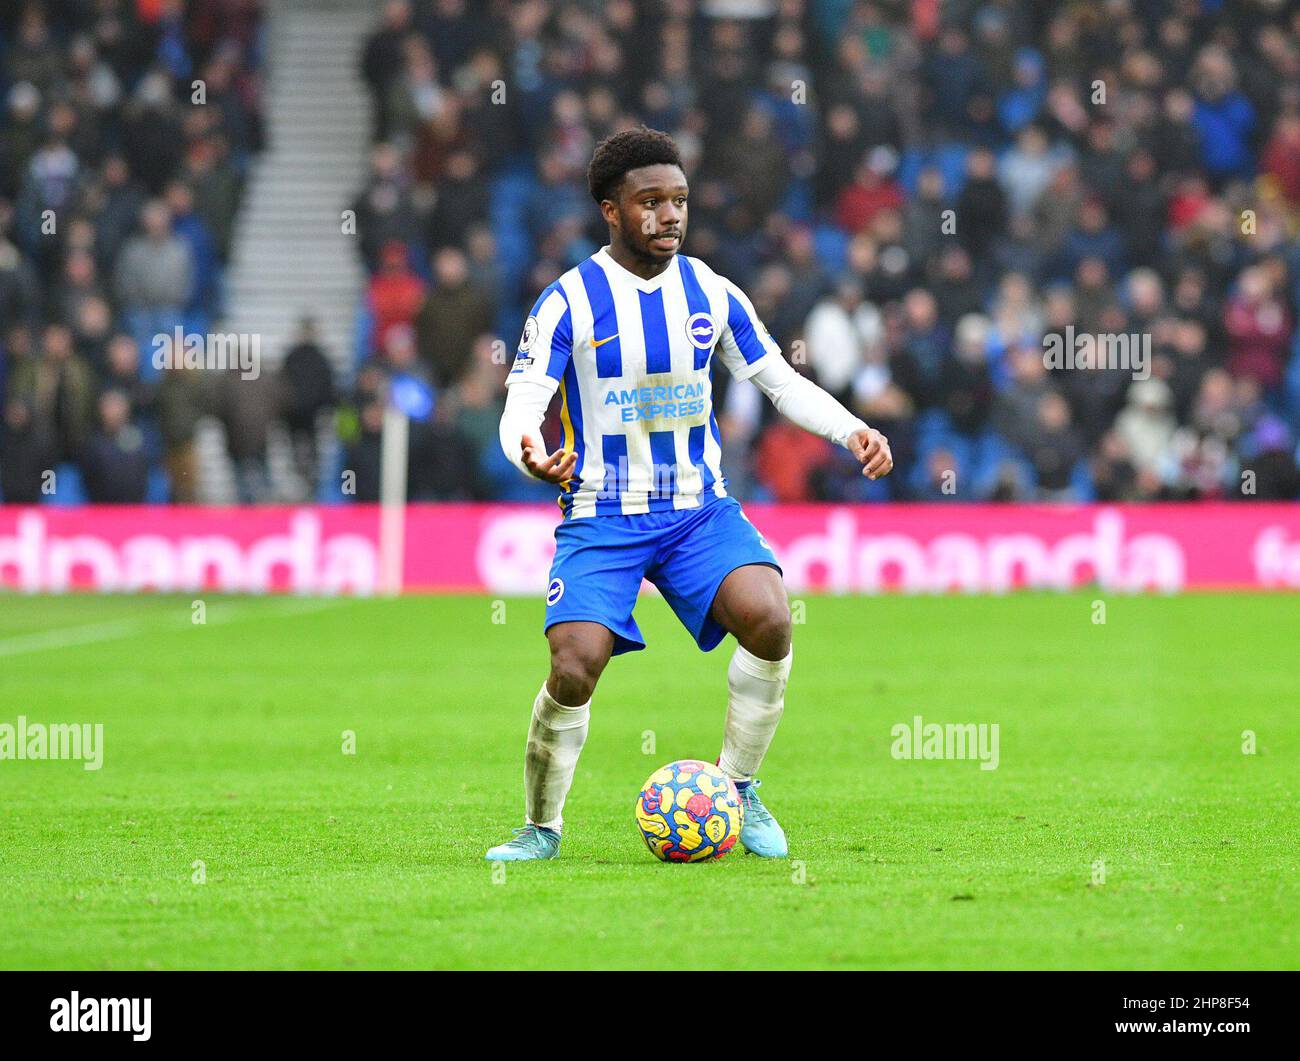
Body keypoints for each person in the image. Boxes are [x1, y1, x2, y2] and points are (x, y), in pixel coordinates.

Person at [485, 128, 893, 862]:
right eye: (650, 202)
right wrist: (529, 453)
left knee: (770, 617)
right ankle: (541, 826)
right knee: (573, 665)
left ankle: (738, 786)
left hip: (696, 510)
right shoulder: (568, 301)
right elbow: (523, 399)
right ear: (611, 209)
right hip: (602, 513)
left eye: (678, 200)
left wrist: (851, 429)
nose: (670, 215)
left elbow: (777, 380)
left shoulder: (711, 291)